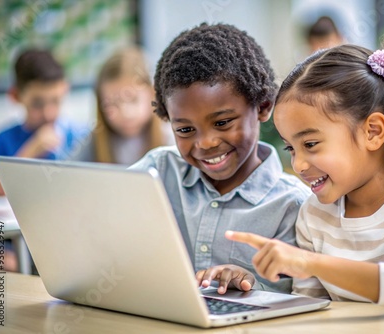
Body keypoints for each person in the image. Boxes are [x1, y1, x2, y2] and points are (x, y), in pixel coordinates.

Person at [213, 27, 384, 314]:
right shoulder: (315, 216)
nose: (298, 164)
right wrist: (251, 289)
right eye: (291, 148)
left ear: (373, 132)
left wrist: (310, 263)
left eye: (311, 144)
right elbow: (310, 311)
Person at [129, 23, 311, 293]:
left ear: (262, 107)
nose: (205, 143)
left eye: (223, 122)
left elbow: (293, 298)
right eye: (185, 130)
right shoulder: (157, 171)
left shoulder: (292, 206)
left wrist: (249, 284)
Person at [0, 49, 87, 196]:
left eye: (55, 101)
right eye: (37, 103)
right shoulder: (5, 139)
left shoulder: (80, 136)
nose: (48, 113)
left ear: (65, 90)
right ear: (15, 96)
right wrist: (30, 151)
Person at [72, 47, 173, 164]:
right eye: (112, 104)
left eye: (133, 100)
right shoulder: (90, 144)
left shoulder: (172, 139)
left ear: (152, 94)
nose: (126, 113)